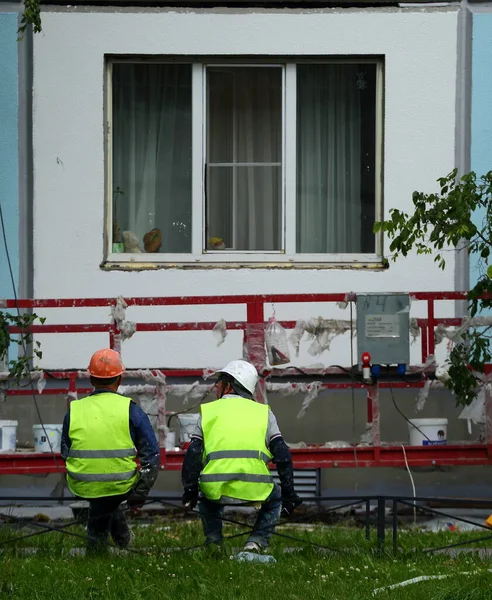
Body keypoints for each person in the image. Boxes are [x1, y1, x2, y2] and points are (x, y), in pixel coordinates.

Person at [181, 359, 302, 553]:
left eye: (219, 382)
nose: (216, 387)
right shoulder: (264, 413)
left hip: (215, 488)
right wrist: (290, 493)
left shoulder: (208, 412)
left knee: (207, 498)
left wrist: (190, 491)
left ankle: (214, 544)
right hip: (256, 487)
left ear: (229, 386)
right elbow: (282, 454)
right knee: (276, 498)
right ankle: (255, 543)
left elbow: (193, 455)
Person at [61, 348, 160, 554]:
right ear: (119, 379)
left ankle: (122, 544)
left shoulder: (75, 409)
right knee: (109, 497)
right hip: (121, 483)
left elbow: (65, 450)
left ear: (91, 379)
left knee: (104, 502)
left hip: (82, 483)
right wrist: (140, 493)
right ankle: (99, 553)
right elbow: (151, 455)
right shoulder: (130, 409)